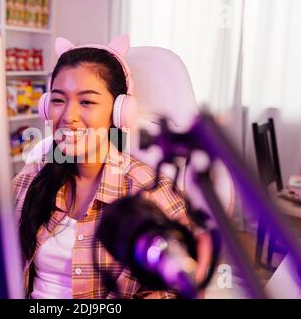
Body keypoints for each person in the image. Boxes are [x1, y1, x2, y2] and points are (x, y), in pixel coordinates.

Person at [12, 35, 209, 299]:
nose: (67, 117)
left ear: (119, 112)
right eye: (58, 100)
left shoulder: (149, 191)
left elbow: (176, 291)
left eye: (87, 102)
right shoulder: (34, 175)